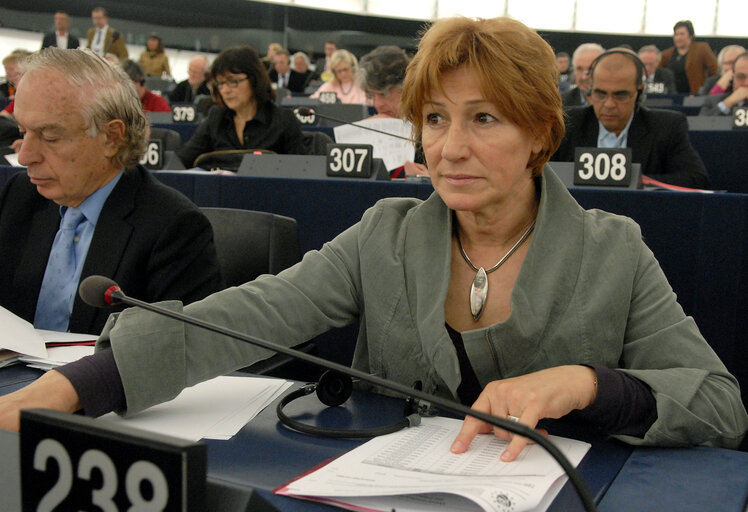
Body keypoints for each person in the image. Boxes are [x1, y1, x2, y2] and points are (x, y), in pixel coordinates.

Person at [1, 18, 745, 462]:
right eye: (435, 119)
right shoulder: (386, 235)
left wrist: (586, 384)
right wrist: (72, 388)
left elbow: (716, 403)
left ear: (540, 134)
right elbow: (238, 319)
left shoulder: (613, 249)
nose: (450, 149)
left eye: (484, 119)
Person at [0, 47, 224, 336]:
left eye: (50, 136)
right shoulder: (20, 195)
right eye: (23, 132)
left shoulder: (173, 228)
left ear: (111, 137)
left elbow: (178, 355)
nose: (25, 156)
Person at [554, 49, 709, 189]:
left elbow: (696, 179)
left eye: (620, 95)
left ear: (639, 93)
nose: (609, 104)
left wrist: (633, 180)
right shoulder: (568, 123)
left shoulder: (666, 127)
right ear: (589, 89)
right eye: (600, 94)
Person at [176, 45, 306, 169]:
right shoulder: (215, 118)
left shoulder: (283, 121)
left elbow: (301, 173)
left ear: (255, 79)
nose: (225, 90)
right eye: (220, 83)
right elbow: (180, 162)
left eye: (233, 81)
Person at [356, 44, 426, 176]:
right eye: (372, 95)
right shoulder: (369, 129)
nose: (378, 104)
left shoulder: (429, 126)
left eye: (383, 94)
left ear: (405, 87)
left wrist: (429, 180)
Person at [659, 20, 717, 94]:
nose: (678, 37)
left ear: (691, 36)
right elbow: (659, 71)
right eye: (676, 34)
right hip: (672, 95)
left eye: (682, 34)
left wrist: (707, 88)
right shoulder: (666, 54)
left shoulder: (702, 48)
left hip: (694, 94)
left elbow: (714, 68)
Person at [699, 51, 748, 116]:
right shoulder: (713, 101)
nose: (746, 83)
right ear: (733, 78)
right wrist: (726, 104)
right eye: (740, 77)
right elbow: (701, 123)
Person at [561, 43, 604, 107]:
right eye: (579, 69)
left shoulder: (617, 101)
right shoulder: (562, 103)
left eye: (591, 69)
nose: (584, 77)